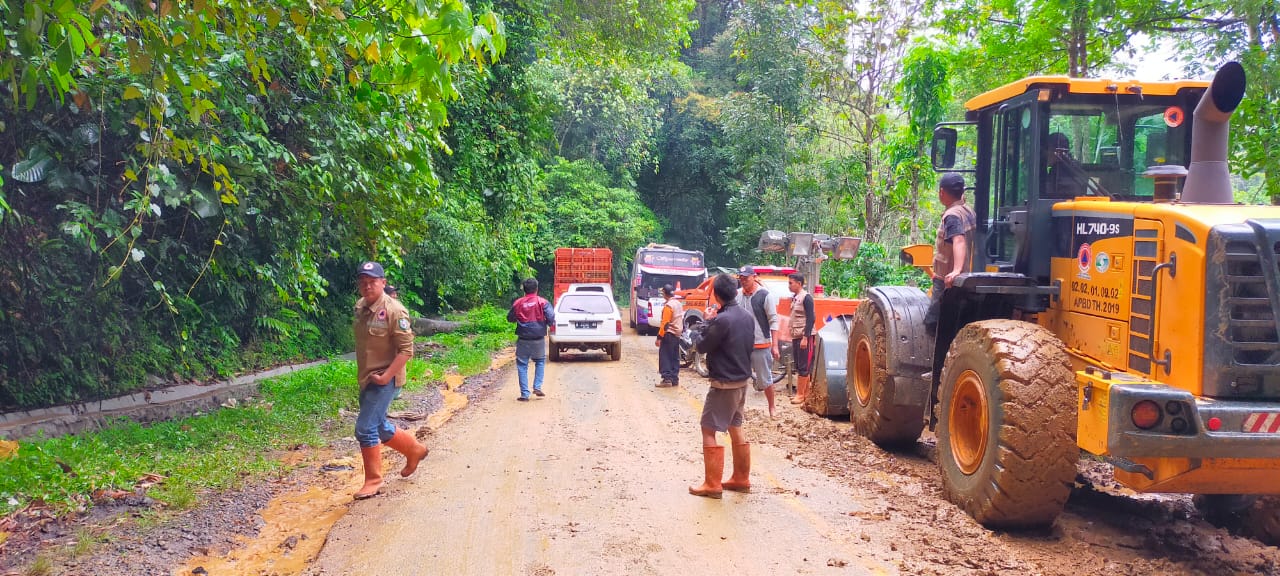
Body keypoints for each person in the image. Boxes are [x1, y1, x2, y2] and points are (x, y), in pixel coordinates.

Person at [352, 261, 430, 500]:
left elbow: (407, 351)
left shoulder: (395, 310)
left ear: (383, 283)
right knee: (377, 425)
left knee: (365, 429)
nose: (367, 286)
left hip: (386, 378)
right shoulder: (360, 307)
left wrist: (386, 376)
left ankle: (373, 481)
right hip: (368, 377)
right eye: (363, 282)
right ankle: (414, 449)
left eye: (372, 282)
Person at [689, 274, 756, 499]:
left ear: (716, 295)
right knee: (735, 425)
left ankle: (712, 484)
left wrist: (706, 322)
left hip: (724, 383)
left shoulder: (722, 320)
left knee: (709, 428)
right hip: (741, 382)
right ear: (736, 291)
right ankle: (740, 478)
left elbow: (701, 346)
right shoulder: (747, 317)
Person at [924, 172, 978, 336]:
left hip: (946, 280)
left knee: (933, 323)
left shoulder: (952, 215)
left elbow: (959, 240)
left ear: (941, 192)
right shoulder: (969, 211)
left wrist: (956, 270)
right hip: (965, 277)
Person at [736, 266, 781, 417]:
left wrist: (775, 345)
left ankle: (772, 407)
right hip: (742, 345)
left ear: (754, 277)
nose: (743, 281)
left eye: (746, 278)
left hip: (761, 343)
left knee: (765, 379)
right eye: (741, 278)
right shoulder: (737, 295)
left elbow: (773, 320)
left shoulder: (764, 295)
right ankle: (738, 410)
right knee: (740, 378)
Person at [507, 278, 555, 401]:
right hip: (538, 338)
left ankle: (524, 394)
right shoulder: (542, 302)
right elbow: (550, 317)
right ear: (537, 289)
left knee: (522, 365)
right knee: (540, 361)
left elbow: (510, 318)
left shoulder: (518, 303)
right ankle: (537, 386)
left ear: (524, 289)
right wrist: (549, 323)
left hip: (523, 339)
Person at [786, 273, 815, 405]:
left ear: (799, 283)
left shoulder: (806, 297)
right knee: (799, 365)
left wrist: (806, 337)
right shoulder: (795, 298)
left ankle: (800, 394)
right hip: (796, 335)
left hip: (804, 336)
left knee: (804, 366)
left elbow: (811, 318)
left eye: (791, 283)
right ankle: (806, 394)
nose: (789, 286)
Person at [655, 284, 684, 388]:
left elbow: (665, 323)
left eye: (663, 293)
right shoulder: (678, 304)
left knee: (665, 357)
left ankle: (666, 379)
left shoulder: (668, 306)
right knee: (674, 357)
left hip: (669, 334)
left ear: (665, 294)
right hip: (677, 335)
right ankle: (674, 379)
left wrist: (659, 337)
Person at [1043, 132, 1086, 198]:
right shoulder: (1076, 166)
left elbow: (1047, 196)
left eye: (1046, 150)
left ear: (1057, 151)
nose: (1044, 155)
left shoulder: (1057, 171)